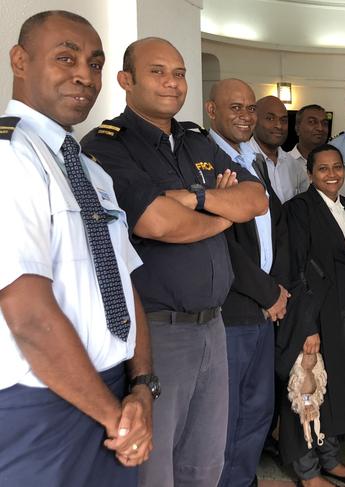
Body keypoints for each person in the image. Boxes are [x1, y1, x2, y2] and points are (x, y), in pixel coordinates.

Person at [82, 39, 268, 487]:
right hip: (157, 331)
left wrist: (197, 198)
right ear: (126, 81)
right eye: (158, 72)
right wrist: (224, 212)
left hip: (214, 327)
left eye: (180, 72)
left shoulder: (194, 139)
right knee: (156, 469)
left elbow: (256, 198)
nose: (172, 82)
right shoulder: (107, 146)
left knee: (206, 464)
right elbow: (158, 223)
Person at [0, 10, 153, 486]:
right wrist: (116, 418)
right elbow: (27, 314)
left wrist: (142, 387)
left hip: (113, 394)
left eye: (95, 63)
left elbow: (125, 285)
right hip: (43, 405)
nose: (84, 75)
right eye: (65, 58)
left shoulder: (88, 169)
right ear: (20, 60)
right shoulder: (9, 157)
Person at [205, 79, 291, 487]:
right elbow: (219, 242)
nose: (245, 115)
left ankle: (241, 479)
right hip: (234, 305)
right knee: (230, 411)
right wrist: (268, 292)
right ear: (211, 111)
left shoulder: (251, 161)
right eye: (234, 107)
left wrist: (277, 291)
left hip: (263, 306)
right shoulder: (202, 160)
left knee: (258, 408)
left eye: (249, 107)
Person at [281, 144, 345, 487]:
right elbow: (295, 270)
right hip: (315, 315)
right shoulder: (299, 210)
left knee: (333, 389)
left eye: (337, 167)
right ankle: (307, 470)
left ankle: (330, 458)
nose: (332, 175)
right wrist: (307, 326)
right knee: (306, 388)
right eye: (323, 169)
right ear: (310, 174)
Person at [289, 104, 345, 205]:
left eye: (324, 123)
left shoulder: (339, 168)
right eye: (312, 122)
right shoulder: (284, 164)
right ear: (297, 128)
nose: (320, 128)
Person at [249, 95, 309, 203]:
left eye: (283, 120)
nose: (279, 126)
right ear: (254, 120)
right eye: (270, 118)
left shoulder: (294, 166)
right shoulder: (239, 161)